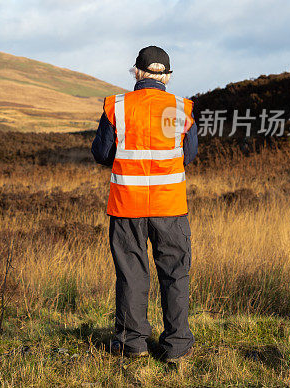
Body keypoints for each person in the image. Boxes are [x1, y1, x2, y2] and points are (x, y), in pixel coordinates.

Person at [91, 45, 198, 363]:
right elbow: (188, 155)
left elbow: (101, 153)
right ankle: (177, 345)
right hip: (170, 206)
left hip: (127, 205)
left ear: (136, 72)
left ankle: (131, 343)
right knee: (175, 273)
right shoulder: (180, 108)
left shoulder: (117, 106)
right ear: (166, 75)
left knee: (131, 274)